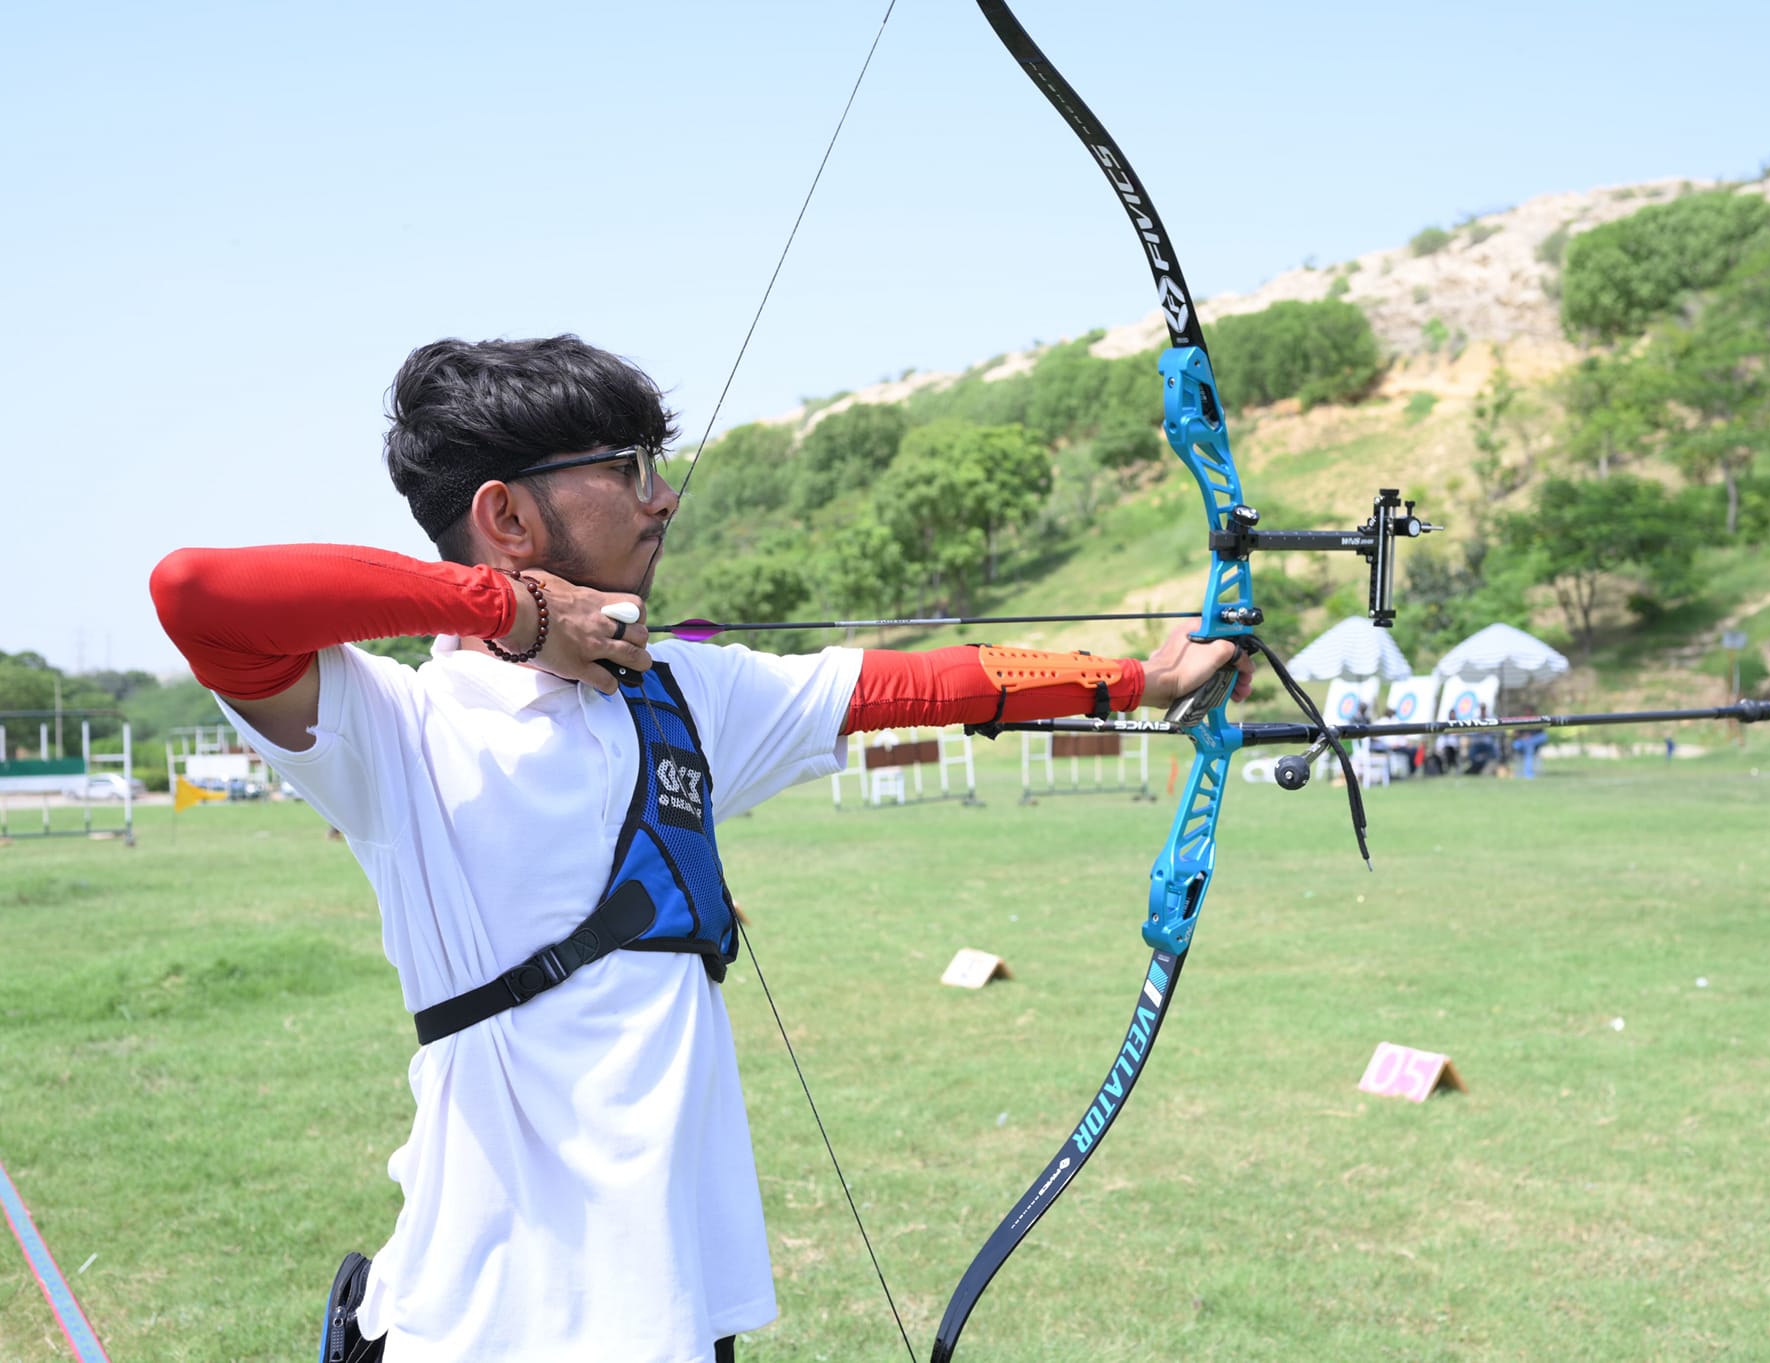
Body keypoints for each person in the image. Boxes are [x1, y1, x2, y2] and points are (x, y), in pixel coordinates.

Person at [149, 335, 1252, 1363]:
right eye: (628, 468)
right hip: (485, 1317)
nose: (663, 495)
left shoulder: (681, 692)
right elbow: (197, 593)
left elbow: (924, 683)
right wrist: (513, 612)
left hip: (676, 1309)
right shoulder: (399, 727)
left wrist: (1141, 680)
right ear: (507, 516)